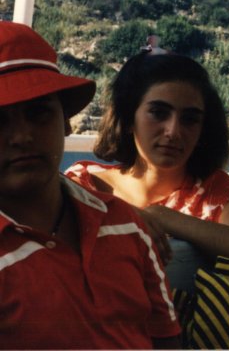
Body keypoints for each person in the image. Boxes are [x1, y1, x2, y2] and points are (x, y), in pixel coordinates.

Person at [0, 22, 180, 348]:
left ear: (66, 123)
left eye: (39, 113)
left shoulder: (127, 225)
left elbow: (166, 340)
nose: (22, 137)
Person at [66, 50, 229, 272]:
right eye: (158, 113)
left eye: (190, 119)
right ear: (128, 119)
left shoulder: (215, 192)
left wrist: (161, 217)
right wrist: (130, 216)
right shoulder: (83, 183)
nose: (173, 131)